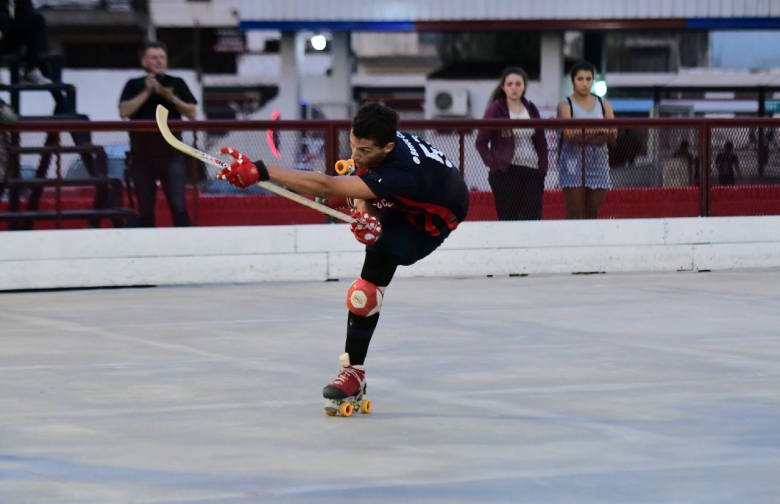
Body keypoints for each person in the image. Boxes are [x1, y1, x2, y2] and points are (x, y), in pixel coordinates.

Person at [218, 103, 470, 410]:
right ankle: (353, 373)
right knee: (363, 294)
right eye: (352, 145)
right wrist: (365, 212)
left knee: (336, 204)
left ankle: (354, 370)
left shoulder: (401, 172)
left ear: (388, 147)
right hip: (401, 199)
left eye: (364, 150)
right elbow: (363, 187)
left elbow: (327, 185)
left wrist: (261, 170)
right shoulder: (377, 146)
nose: (355, 155)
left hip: (430, 220)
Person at [119, 41, 197, 227]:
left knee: (179, 207)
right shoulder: (134, 84)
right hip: (142, 156)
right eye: (154, 57)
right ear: (144, 62)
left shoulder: (177, 83)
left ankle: (185, 242)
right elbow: (124, 111)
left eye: (162, 57)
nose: (159, 61)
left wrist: (169, 96)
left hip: (172, 155)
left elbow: (192, 113)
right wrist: (147, 92)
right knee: (145, 209)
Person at [475, 66, 548, 220]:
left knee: (532, 216)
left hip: (532, 170)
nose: (514, 88)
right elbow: (481, 142)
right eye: (509, 84)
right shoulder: (495, 109)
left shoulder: (531, 108)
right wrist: (494, 165)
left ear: (524, 86)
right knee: (509, 218)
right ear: (503, 87)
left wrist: (543, 167)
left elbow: (541, 141)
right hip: (506, 171)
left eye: (518, 84)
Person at [556, 61, 617, 219]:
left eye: (588, 79)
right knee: (575, 211)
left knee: (592, 210)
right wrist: (599, 130)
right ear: (573, 81)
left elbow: (612, 133)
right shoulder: (565, 104)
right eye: (580, 79)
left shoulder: (604, 104)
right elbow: (570, 134)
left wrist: (584, 133)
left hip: (599, 160)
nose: (584, 83)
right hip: (573, 159)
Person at [0, 0, 52, 85]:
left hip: (8, 39)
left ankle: (29, 71)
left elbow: (27, 12)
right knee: (2, 19)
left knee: (37, 19)